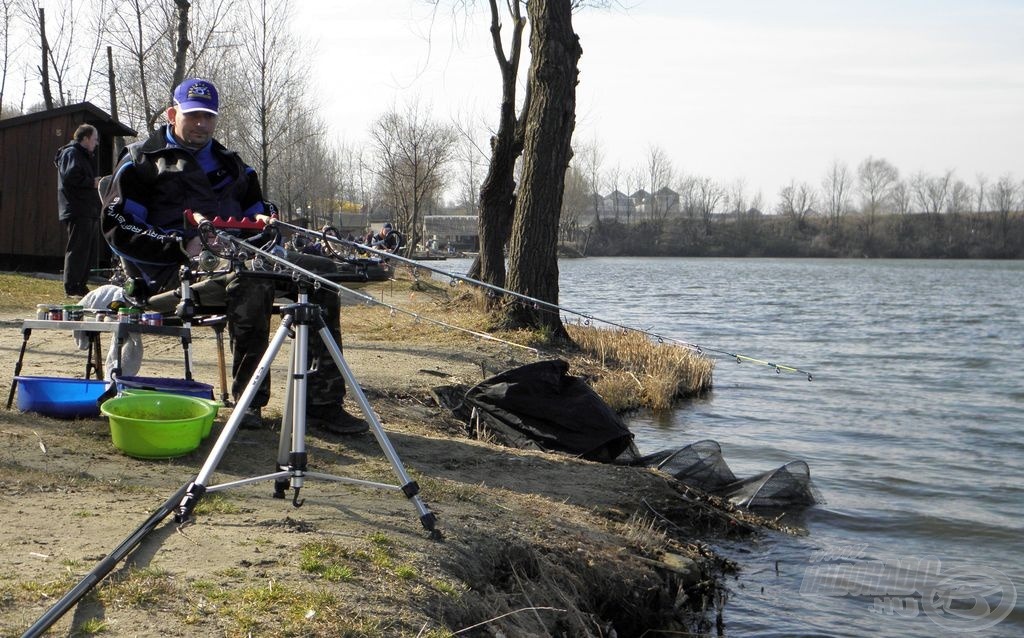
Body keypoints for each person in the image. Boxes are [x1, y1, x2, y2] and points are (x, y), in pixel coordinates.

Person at [101, 78, 367, 434]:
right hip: (171, 275)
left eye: (208, 117)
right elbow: (119, 228)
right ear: (171, 114)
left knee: (320, 276)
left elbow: (261, 210)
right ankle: (249, 404)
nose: (202, 124)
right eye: (193, 115)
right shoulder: (141, 161)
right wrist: (180, 246)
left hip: (241, 260)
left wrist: (266, 222)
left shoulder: (233, 165)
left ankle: (321, 404)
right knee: (251, 282)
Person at [55, 124, 102, 297]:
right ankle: (72, 286)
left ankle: (81, 285)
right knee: (77, 248)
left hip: (88, 208)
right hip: (77, 208)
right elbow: (70, 177)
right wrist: (92, 182)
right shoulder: (71, 153)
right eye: (95, 139)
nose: (96, 143)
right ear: (86, 138)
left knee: (87, 249)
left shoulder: (84, 156)